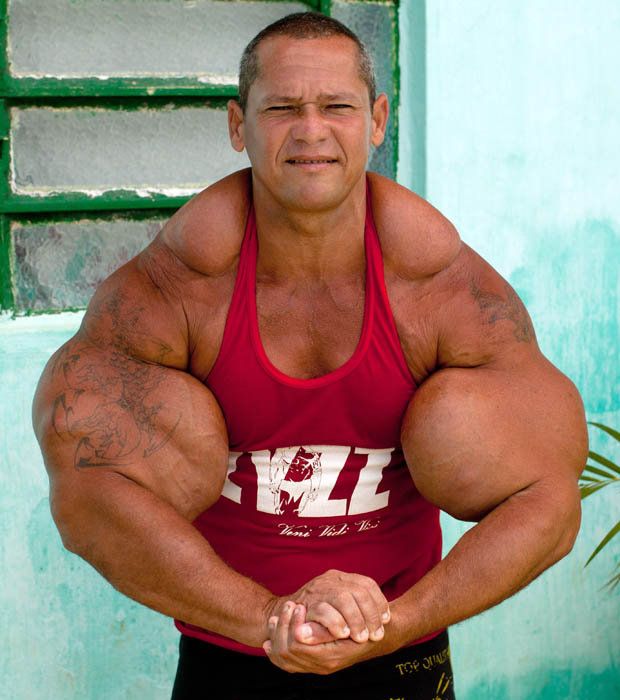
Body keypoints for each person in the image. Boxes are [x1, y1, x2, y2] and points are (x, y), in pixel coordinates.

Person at [32, 11, 587, 700]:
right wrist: (267, 619)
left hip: (401, 648)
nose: (311, 130)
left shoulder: (440, 287)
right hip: (230, 644)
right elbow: (84, 498)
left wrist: (393, 623)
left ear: (377, 119)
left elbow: (554, 501)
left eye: (337, 106)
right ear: (239, 125)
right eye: (283, 108)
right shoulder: (180, 285)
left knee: (464, 418)